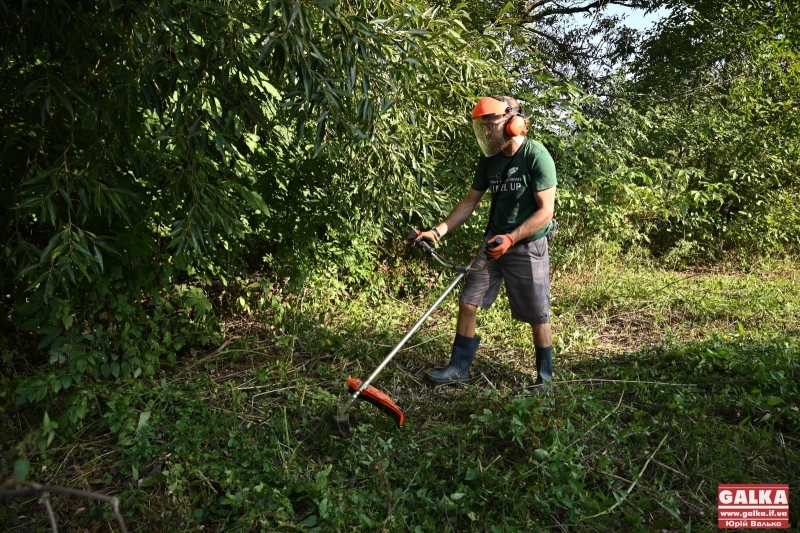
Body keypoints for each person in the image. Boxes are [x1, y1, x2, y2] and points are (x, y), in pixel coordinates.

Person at [416, 95, 557, 391]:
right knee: (468, 302)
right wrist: (437, 231)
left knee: (537, 313)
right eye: (483, 128)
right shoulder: (489, 160)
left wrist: (512, 237)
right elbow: (470, 202)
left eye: (491, 125)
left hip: (526, 246)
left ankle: (545, 379)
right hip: (493, 245)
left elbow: (546, 211)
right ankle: (458, 368)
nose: (487, 133)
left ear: (512, 123)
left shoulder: (536, 156)